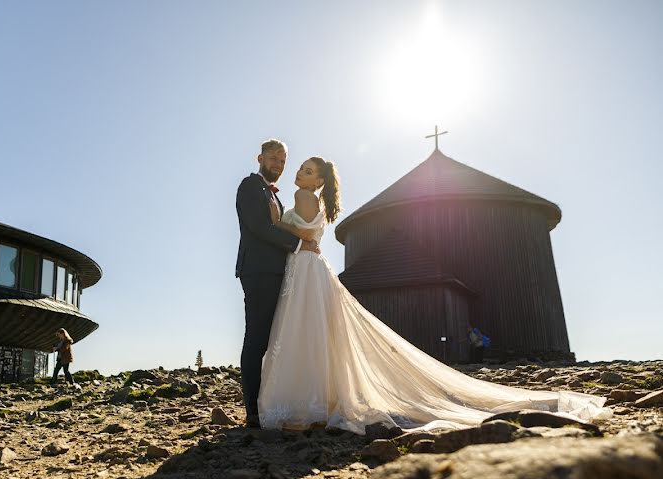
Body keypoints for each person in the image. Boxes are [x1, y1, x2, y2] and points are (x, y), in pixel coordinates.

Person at [256, 158, 610, 433]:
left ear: (318, 181)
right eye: (301, 169)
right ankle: (319, 401)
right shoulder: (316, 200)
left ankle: (306, 406)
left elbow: (295, 232)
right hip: (312, 268)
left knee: (304, 331)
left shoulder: (303, 196)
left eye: (307, 170)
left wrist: (274, 220)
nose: (300, 174)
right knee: (320, 333)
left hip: (305, 268)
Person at [235, 139, 320, 427]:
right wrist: (300, 244)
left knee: (276, 340)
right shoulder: (250, 186)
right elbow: (259, 226)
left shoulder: (277, 197)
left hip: (278, 273)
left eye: (283, 161)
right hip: (258, 271)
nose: (278, 165)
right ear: (260, 157)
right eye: (273, 158)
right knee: (257, 339)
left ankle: (270, 402)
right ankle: (253, 412)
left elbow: (278, 225)